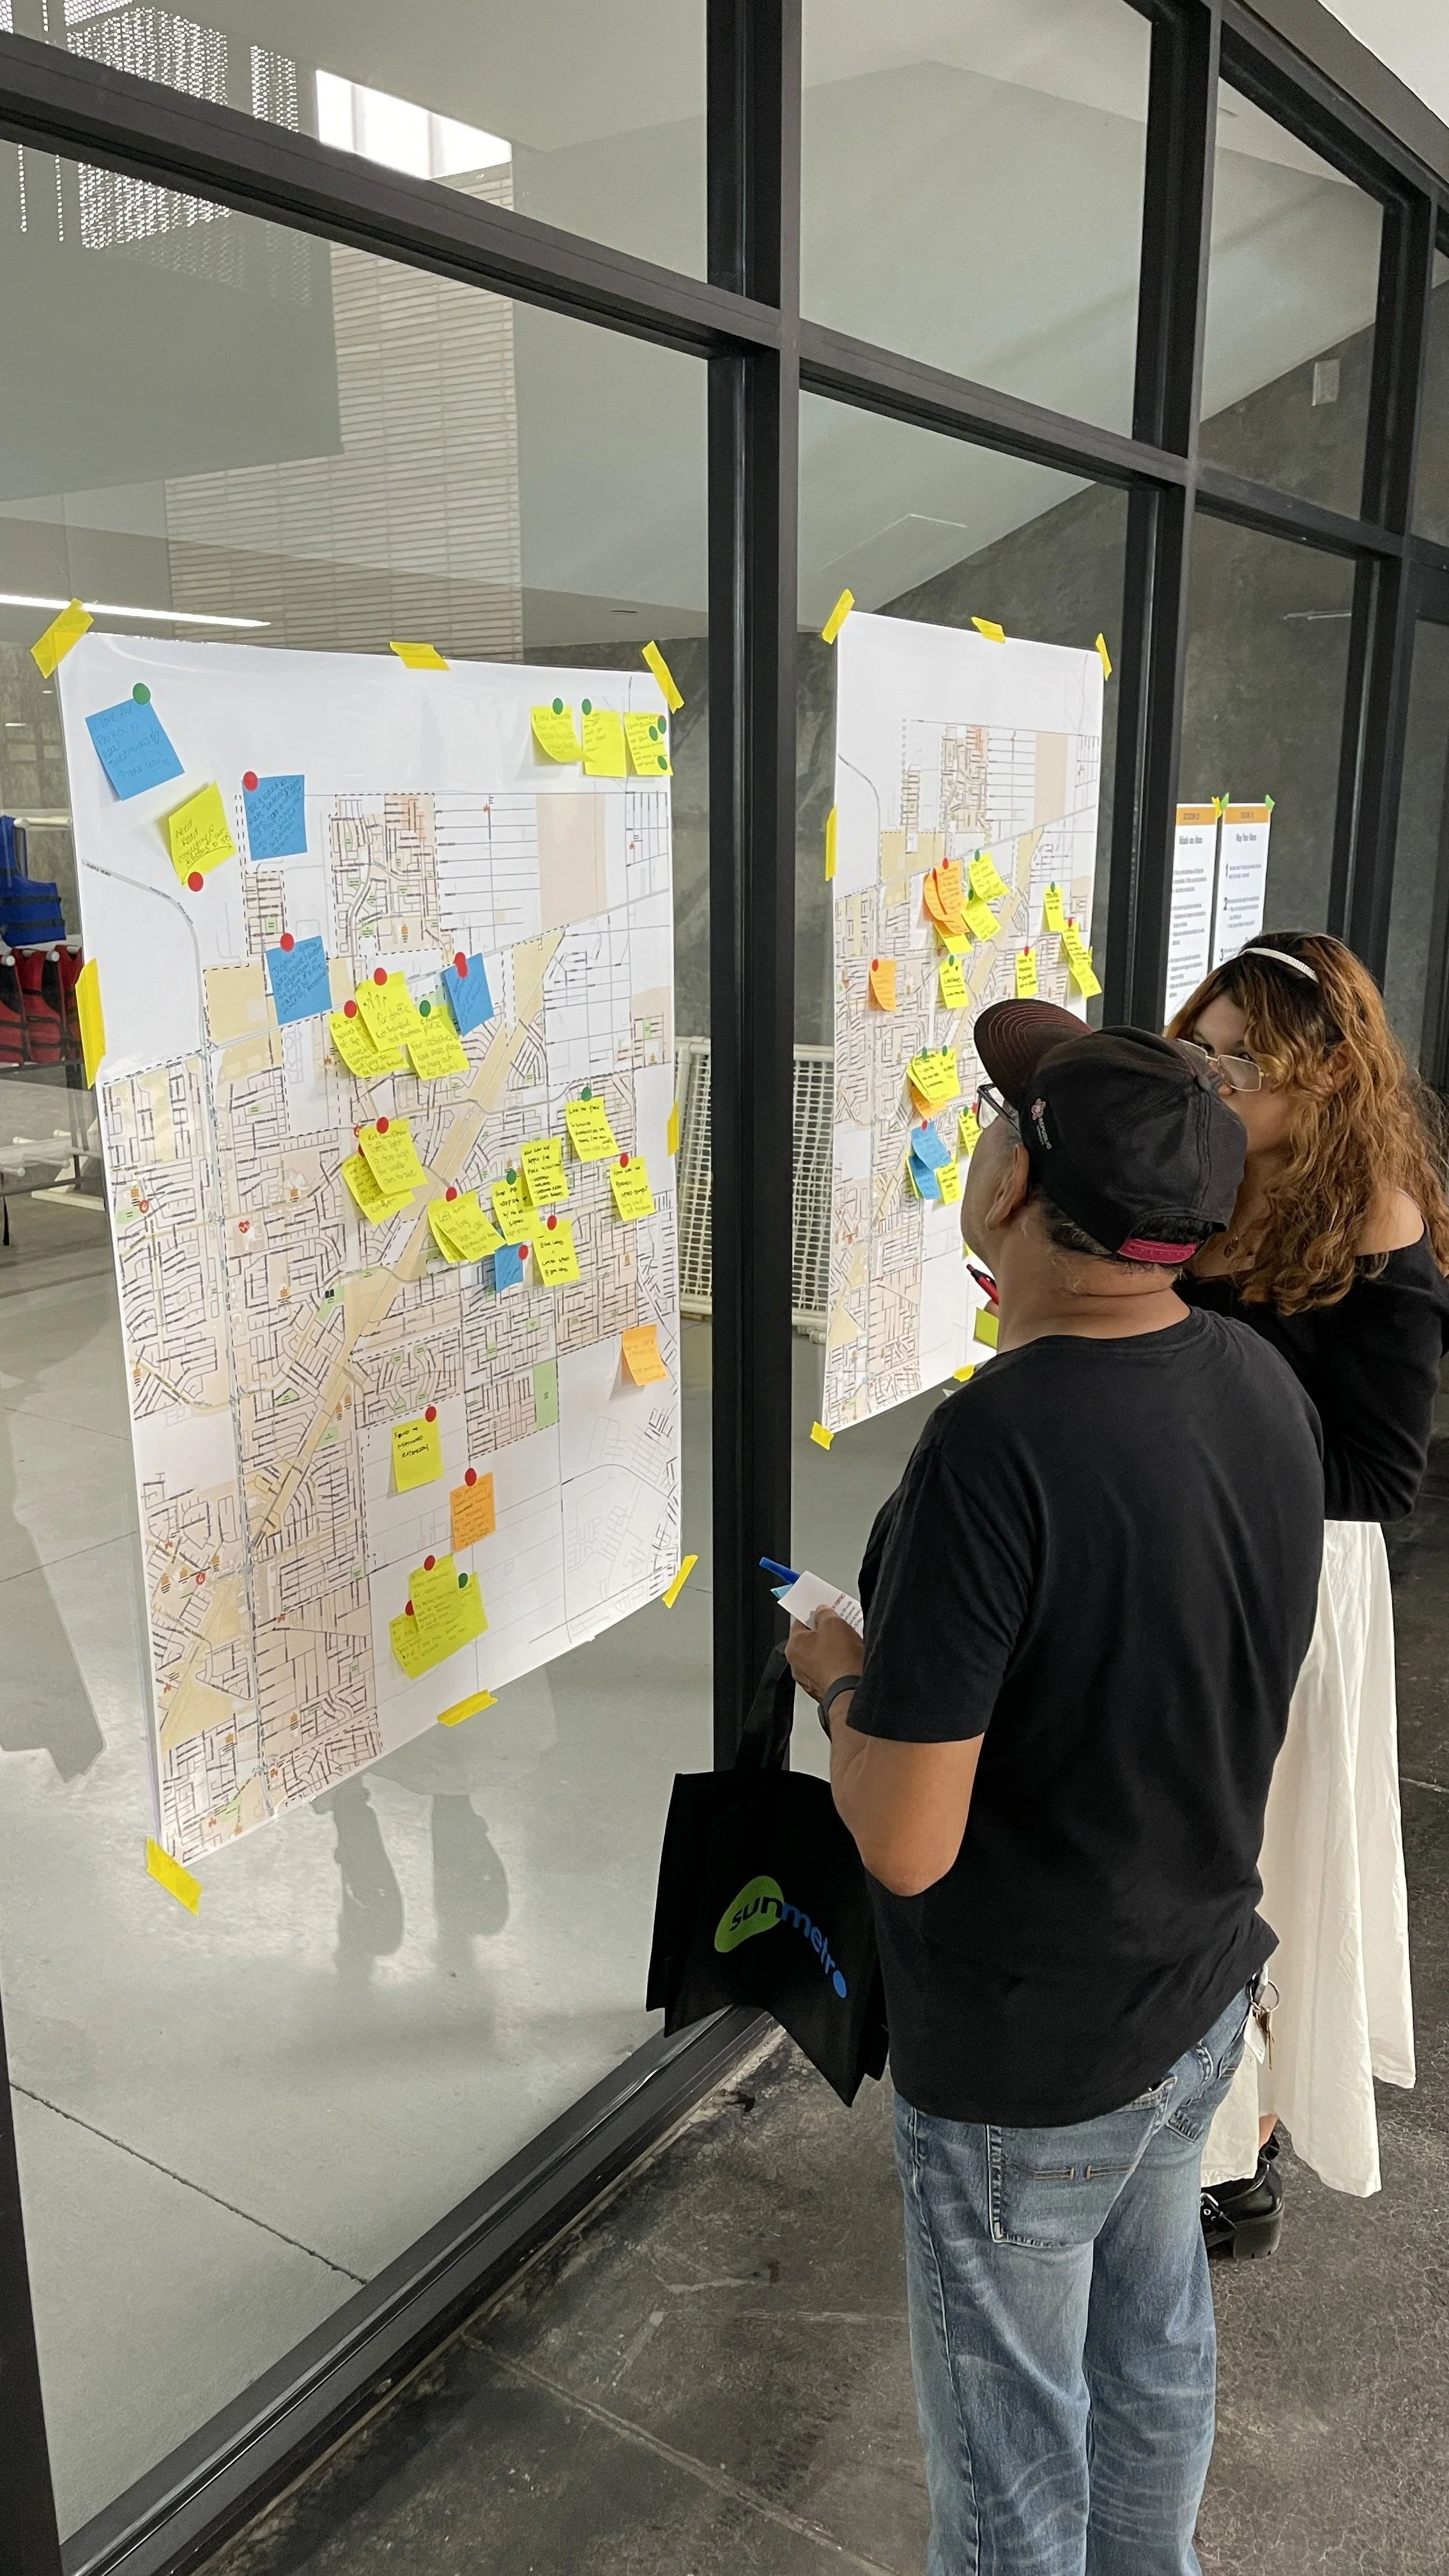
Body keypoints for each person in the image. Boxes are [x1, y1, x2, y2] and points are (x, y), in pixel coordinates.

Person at [787, 1003, 1324, 2576]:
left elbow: (902, 1838)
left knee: (1015, 2448)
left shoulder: (994, 1450)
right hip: (1192, 1988)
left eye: (996, 1121)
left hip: (1030, 2054)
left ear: (1019, 1185)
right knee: (1153, 2354)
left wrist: (836, 1675)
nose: (981, 1141)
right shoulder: (1252, 1381)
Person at [1168, 931, 1449, 2242]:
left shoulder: (1378, 1211)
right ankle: (1200, 2115)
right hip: (1192, 1545)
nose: (1215, 1082)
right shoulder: (1210, 1163)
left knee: (1271, 1862)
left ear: (1332, 1071)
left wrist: (1203, 1414)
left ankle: (1246, 2142)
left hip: (1295, 1577)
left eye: (1245, 1063)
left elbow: (1381, 1475)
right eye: (1202, 1052)